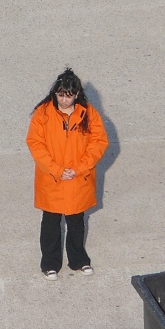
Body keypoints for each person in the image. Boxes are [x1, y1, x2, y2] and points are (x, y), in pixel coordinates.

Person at [25, 69, 109, 280]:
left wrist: (79, 169)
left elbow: (98, 142)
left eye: (68, 96)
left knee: (76, 222)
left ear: (76, 94)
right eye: (60, 95)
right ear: (55, 93)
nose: (64, 100)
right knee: (51, 222)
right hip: (52, 178)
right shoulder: (43, 114)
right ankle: (50, 263)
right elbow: (35, 144)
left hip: (77, 179)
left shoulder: (89, 114)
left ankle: (78, 260)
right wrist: (57, 170)